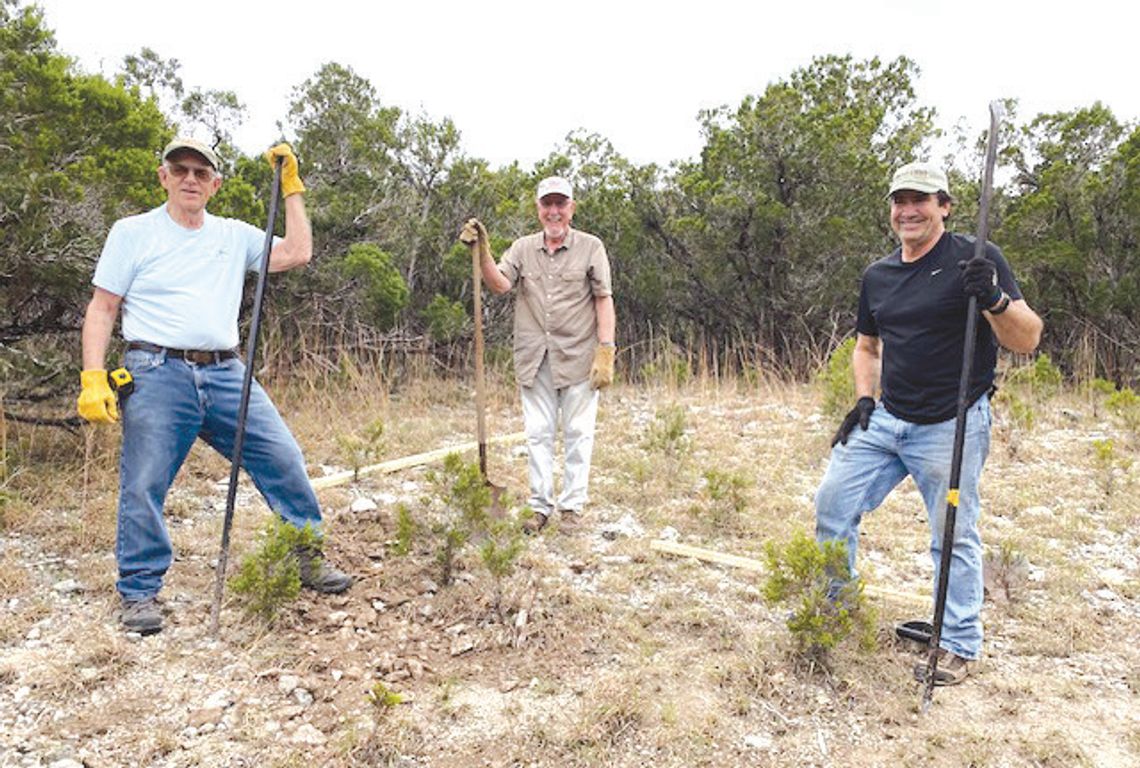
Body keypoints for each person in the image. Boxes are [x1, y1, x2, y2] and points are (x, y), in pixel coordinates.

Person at [77, 137, 352, 635]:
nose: (190, 179)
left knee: (283, 457)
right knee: (144, 482)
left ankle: (306, 557)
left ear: (215, 185)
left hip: (227, 372)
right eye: (179, 169)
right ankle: (139, 591)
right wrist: (93, 375)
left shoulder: (234, 235)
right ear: (162, 176)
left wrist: (291, 187)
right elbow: (102, 307)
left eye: (201, 173)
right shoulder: (132, 233)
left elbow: (297, 252)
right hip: (156, 370)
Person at [814, 161, 1043, 685]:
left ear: (944, 205)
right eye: (899, 200)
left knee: (953, 534)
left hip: (952, 422)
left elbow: (1027, 338)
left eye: (920, 199)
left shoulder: (977, 260)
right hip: (888, 417)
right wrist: (864, 401)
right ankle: (834, 607)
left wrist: (994, 299)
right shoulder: (879, 275)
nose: (908, 210)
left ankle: (959, 643)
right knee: (832, 504)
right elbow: (867, 346)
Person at [461, 176, 616, 533]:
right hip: (534, 358)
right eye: (548, 204)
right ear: (538, 209)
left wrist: (606, 349)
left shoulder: (592, 248)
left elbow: (603, 299)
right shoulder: (522, 249)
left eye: (561, 204)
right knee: (538, 433)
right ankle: (539, 507)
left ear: (572, 208)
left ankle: (572, 508)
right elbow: (499, 284)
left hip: (579, 355)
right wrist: (483, 252)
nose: (554, 211)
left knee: (578, 433)